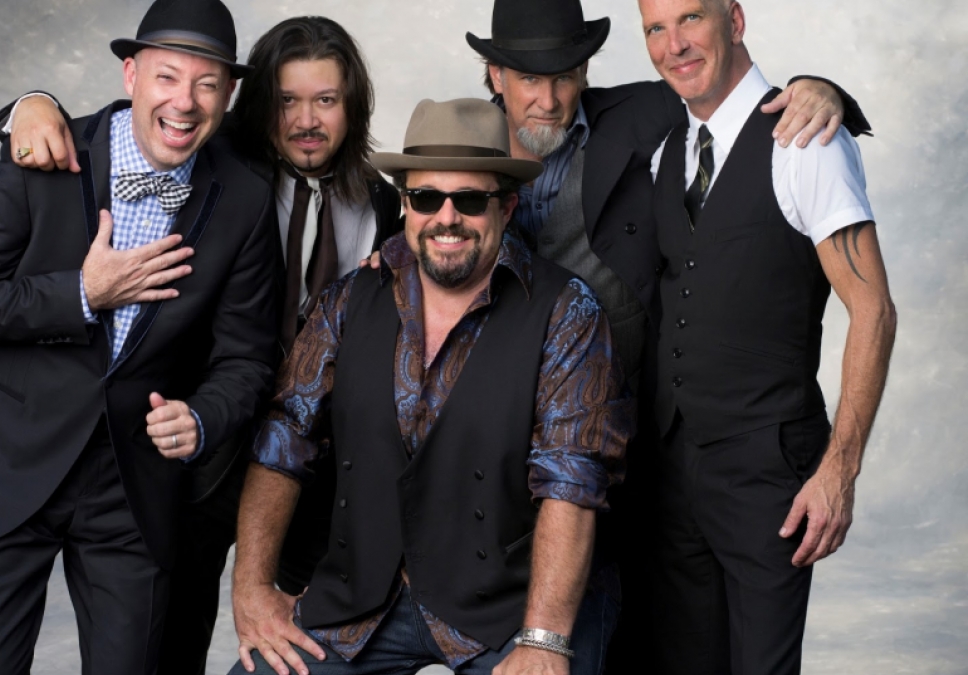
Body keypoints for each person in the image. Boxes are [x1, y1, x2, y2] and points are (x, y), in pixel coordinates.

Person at [0, 16, 403, 674]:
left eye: (326, 100)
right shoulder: (212, 166)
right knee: (171, 638)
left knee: (311, 638)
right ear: (257, 102)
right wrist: (32, 104)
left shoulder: (378, 201)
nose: (307, 121)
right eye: (288, 101)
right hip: (200, 445)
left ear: (352, 105)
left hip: (312, 459)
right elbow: (138, 121)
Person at [464, 0, 870, 665]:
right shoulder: (461, 146)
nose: (548, 98)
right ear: (494, 76)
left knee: (642, 638)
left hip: (632, 437)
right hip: (504, 442)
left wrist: (823, 93)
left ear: (585, 70)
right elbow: (419, 228)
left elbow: (733, 93)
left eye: (564, 75)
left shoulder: (642, 114)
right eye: (527, 77)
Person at [0, 0, 280, 672]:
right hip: (10, 463)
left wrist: (202, 416)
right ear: (131, 74)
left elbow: (247, 358)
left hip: (133, 489)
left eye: (207, 84)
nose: (185, 102)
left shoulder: (246, 200)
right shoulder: (45, 154)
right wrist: (81, 295)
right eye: (167, 77)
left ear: (229, 95)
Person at [228, 98, 634, 675]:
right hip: (366, 596)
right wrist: (251, 587)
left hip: (515, 605)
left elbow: (572, 480)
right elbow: (282, 440)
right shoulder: (347, 301)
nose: (447, 218)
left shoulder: (568, 314)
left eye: (469, 199)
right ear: (404, 204)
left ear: (507, 206)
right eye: (425, 198)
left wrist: (544, 639)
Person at [639, 0, 897, 673]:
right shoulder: (666, 154)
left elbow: (874, 310)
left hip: (766, 467)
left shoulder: (807, 140)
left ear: (734, 20)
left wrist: (840, 470)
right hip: (674, 472)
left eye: (690, 19)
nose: (674, 44)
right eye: (656, 28)